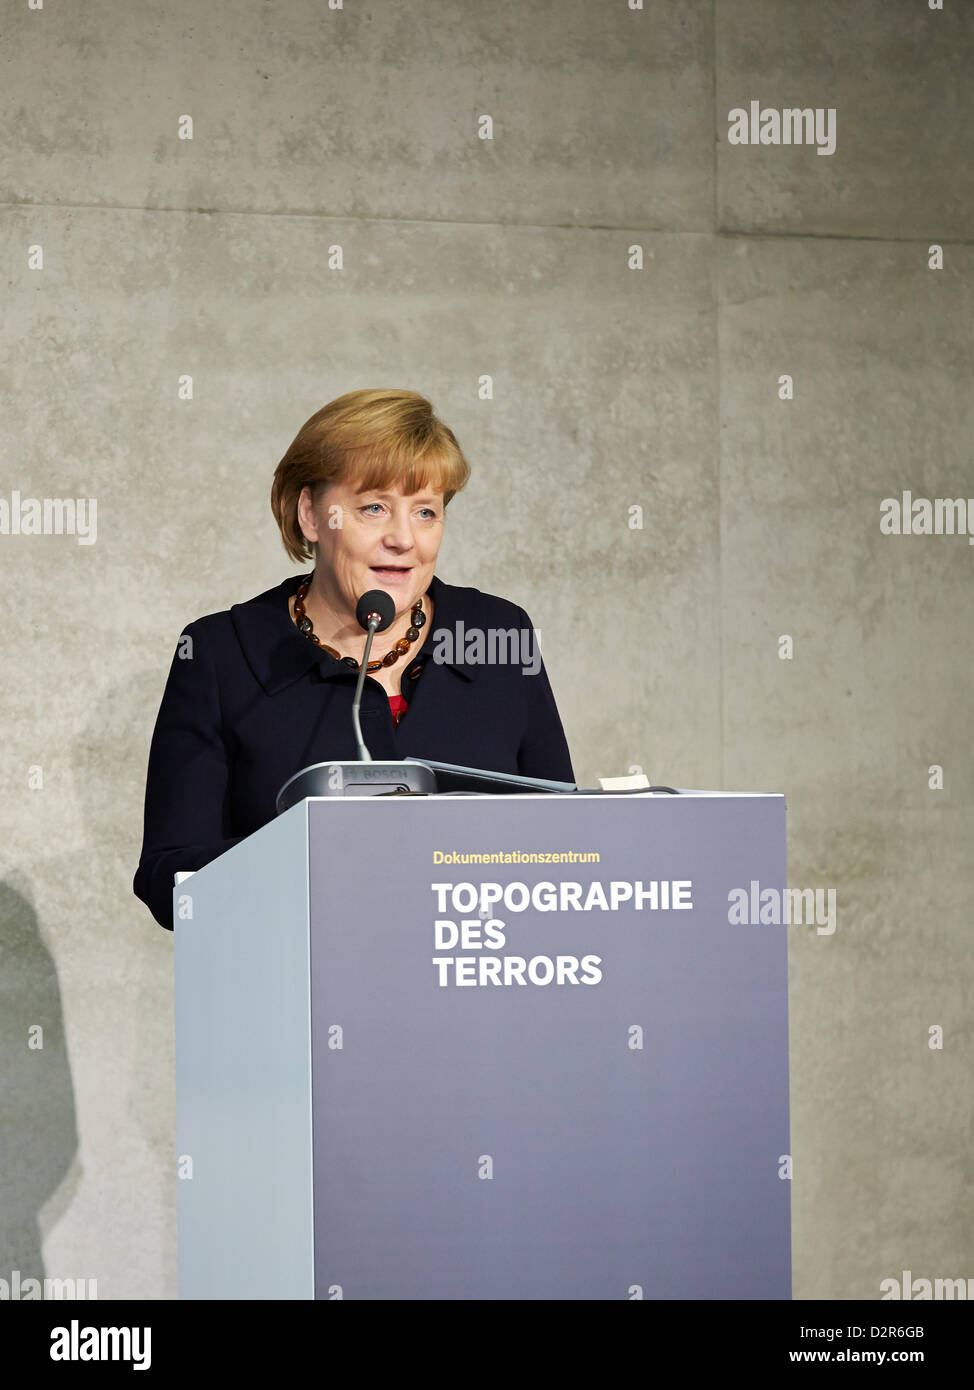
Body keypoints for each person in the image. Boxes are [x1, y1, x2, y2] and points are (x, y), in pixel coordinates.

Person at [133, 388, 575, 930]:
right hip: (299, 995)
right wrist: (313, 861)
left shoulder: (498, 635)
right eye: (374, 508)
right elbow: (168, 879)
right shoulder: (224, 655)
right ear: (312, 516)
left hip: (481, 985)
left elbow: (565, 839)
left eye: (426, 512)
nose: (404, 540)